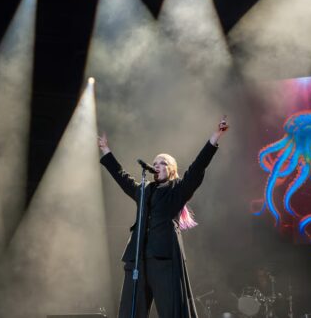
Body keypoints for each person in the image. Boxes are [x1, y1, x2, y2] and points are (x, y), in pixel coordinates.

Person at [98, 117, 229, 318]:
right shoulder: (143, 190)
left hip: (164, 259)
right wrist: (106, 150)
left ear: (172, 169)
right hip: (137, 258)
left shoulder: (178, 191)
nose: (157, 165)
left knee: (171, 311)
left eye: (163, 163)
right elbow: (121, 177)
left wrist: (215, 137)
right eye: (155, 163)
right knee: (130, 311)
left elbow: (197, 168)